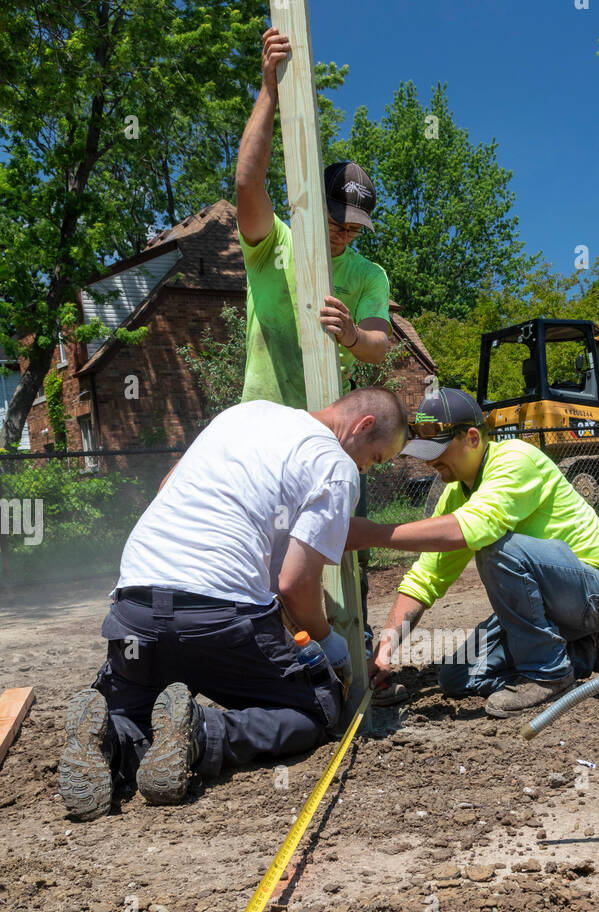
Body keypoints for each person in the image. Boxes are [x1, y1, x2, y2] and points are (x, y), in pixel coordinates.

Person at [58, 389, 408, 820]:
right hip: (220, 616)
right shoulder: (335, 466)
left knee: (133, 708)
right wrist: (329, 643)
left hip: (135, 605)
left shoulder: (246, 413)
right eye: (373, 459)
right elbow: (295, 584)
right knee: (316, 710)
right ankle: (202, 734)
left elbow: (168, 484)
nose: (364, 469)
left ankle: (111, 739)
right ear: (364, 425)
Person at [235, 26, 393, 670]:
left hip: (326, 442)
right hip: (261, 426)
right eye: (335, 223)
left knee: (329, 560)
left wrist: (353, 335)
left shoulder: (366, 276)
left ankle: (336, 660)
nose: (344, 240)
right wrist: (268, 90)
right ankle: (263, 663)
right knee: (258, 556)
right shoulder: (273, 244)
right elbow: (248, 182)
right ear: (309, 206)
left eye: (356, 231)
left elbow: (380, 348)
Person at [345, 387, 599, 718]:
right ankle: (587, 650)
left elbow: (474, 528)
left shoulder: (515, 459)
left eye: (437, 449)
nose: (428, 461)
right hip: (554, 607)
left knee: (496, 547)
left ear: (472, 437)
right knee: (457, 678)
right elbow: (426, 577)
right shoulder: (456, 493)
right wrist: (384, 652)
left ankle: (549, 675)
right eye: (424, 450)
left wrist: (377, 534)